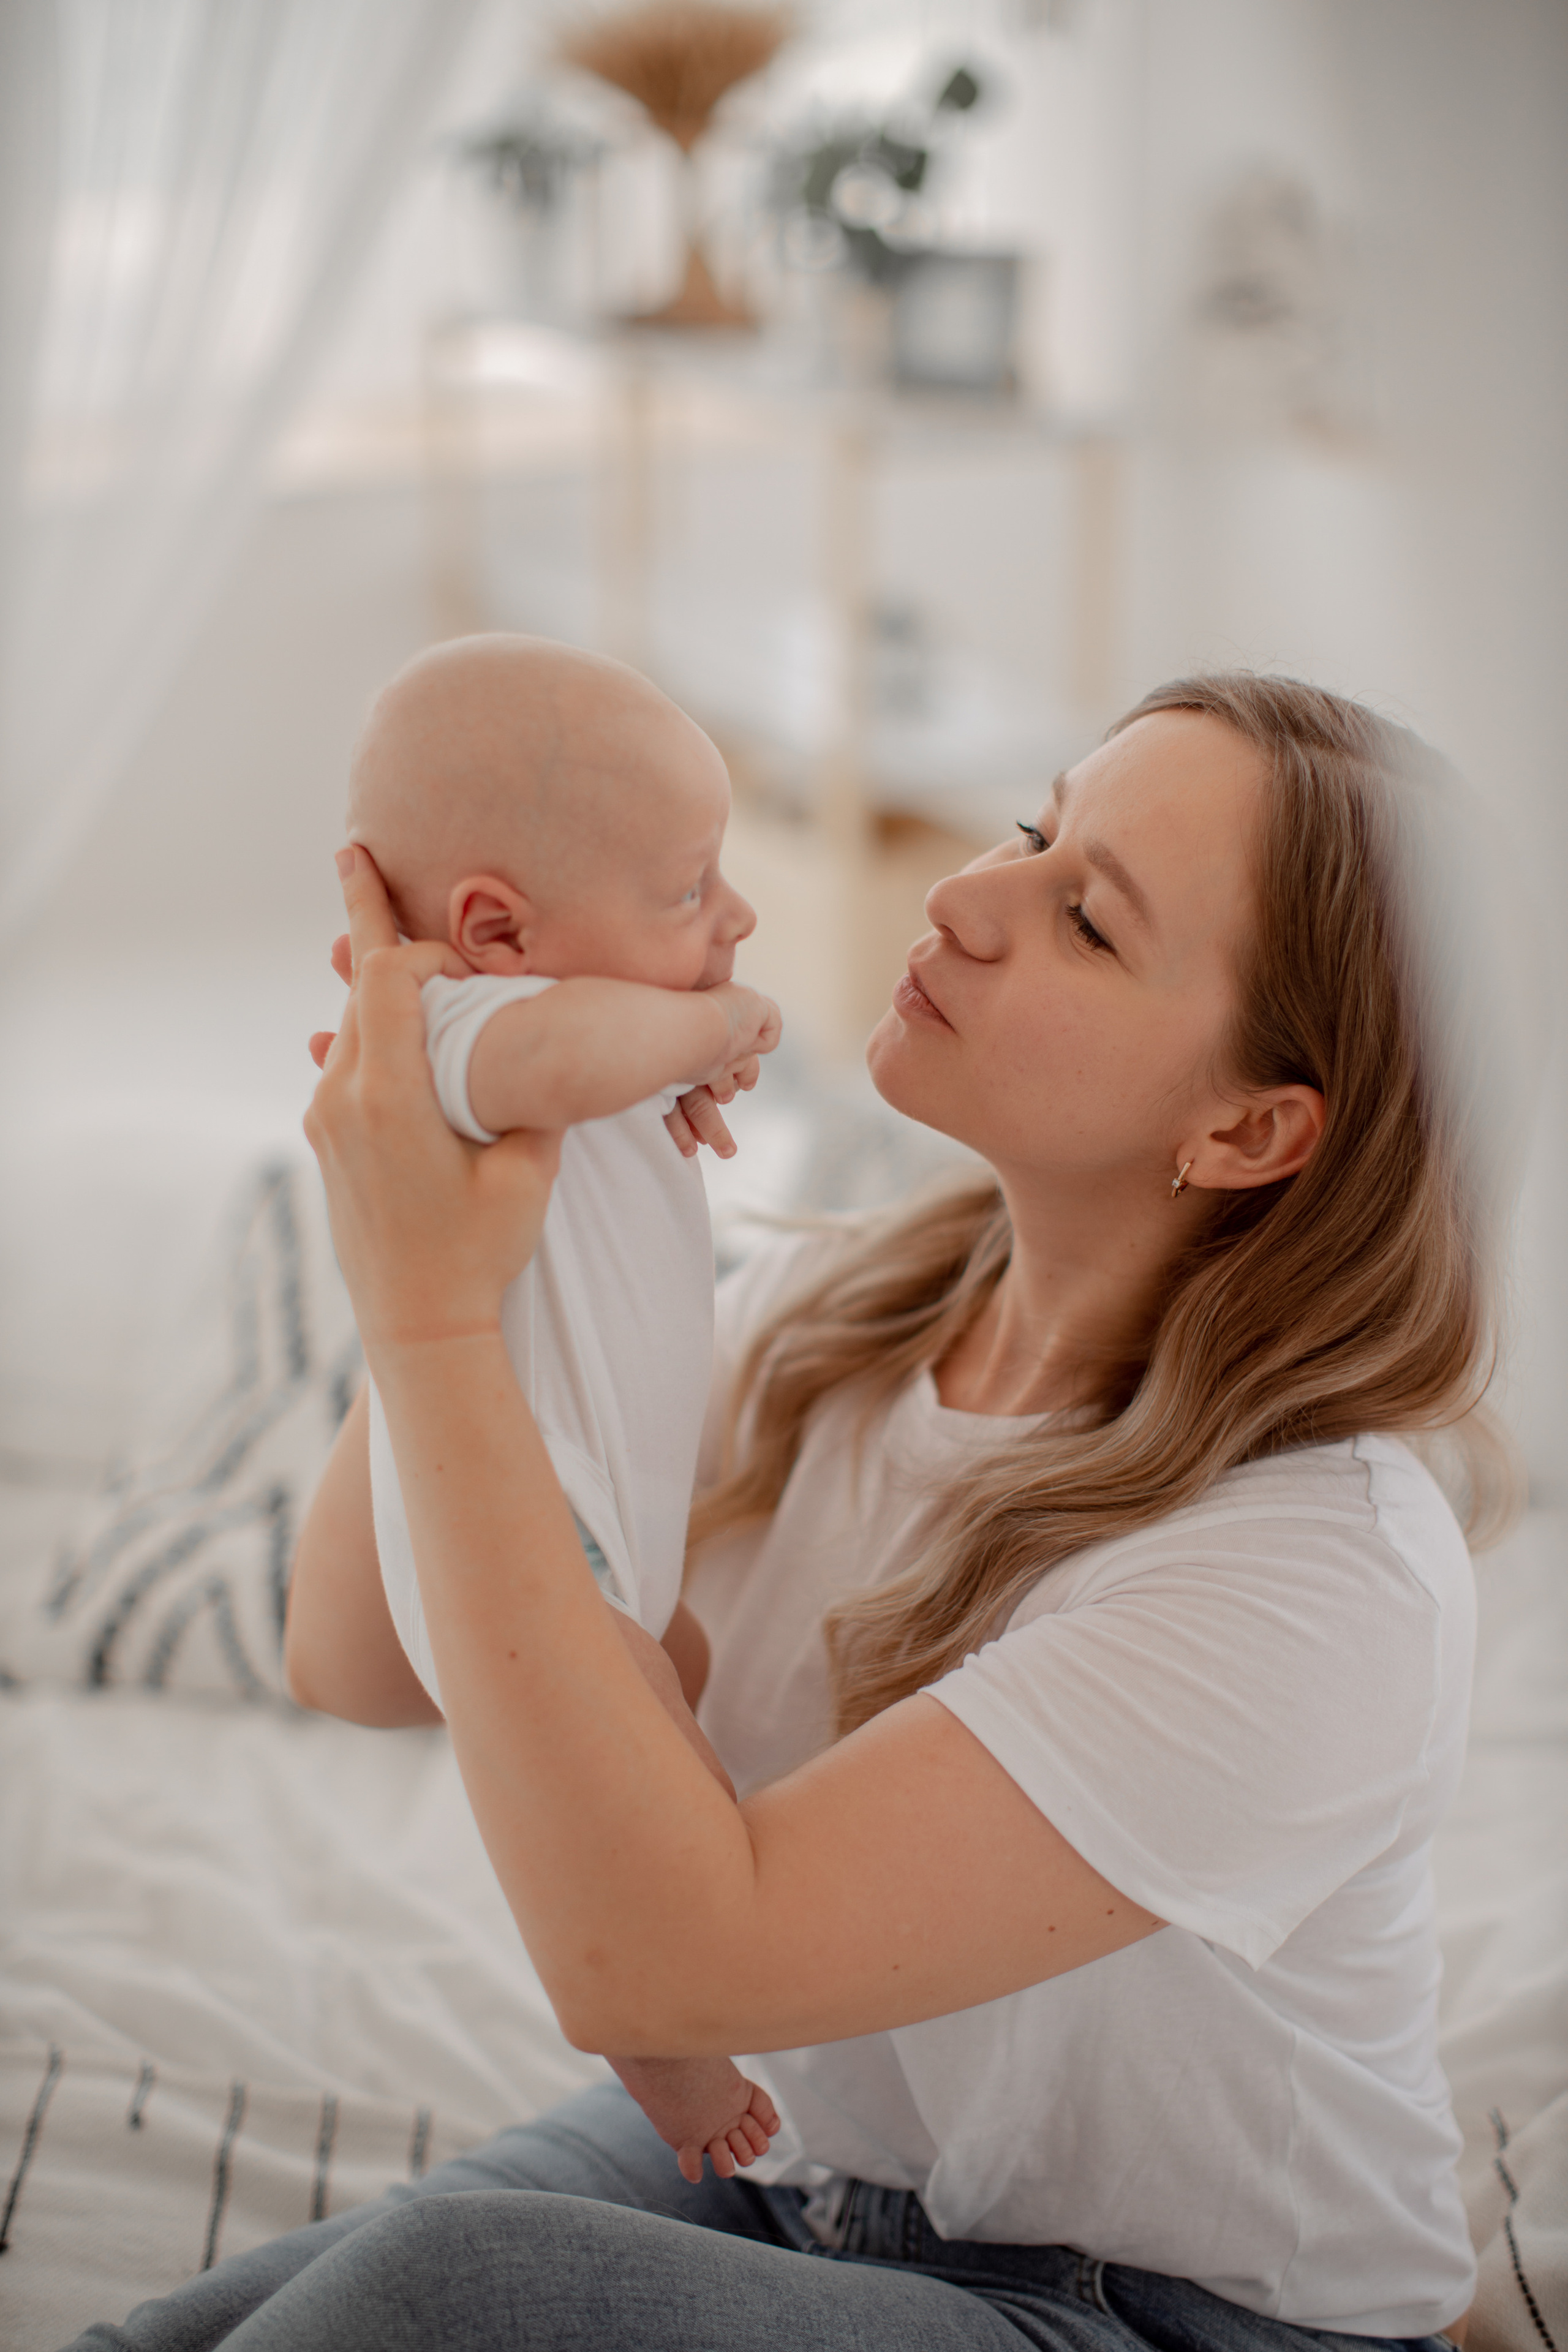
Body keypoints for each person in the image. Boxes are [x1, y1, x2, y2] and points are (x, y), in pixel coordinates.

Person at [74, 674, 1502, 2351]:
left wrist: (426, 1311)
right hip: (821, 2174)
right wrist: (484, 1233)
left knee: (436, 2300)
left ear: (1249, 1127)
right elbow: (359, 1658)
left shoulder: (1319, 1578)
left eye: (1085, 920)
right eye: (1032, 828)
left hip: (1173, 2318)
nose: (963, 895)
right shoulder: (832, 1325)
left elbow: (657, 1970)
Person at [320, 633, 785, 2182]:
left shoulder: (562, 1040)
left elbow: (602, 1065)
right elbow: (576, 1053)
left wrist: (677, 1046)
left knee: (687, 1688)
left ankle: (699, 1934)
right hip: (520, 1525)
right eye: (688, 889)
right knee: (637, 1773)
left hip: (597, 1525)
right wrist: (709, 1029)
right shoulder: (453, 1024)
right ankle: (659, 2035)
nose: (735, 919)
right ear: (495, 930)